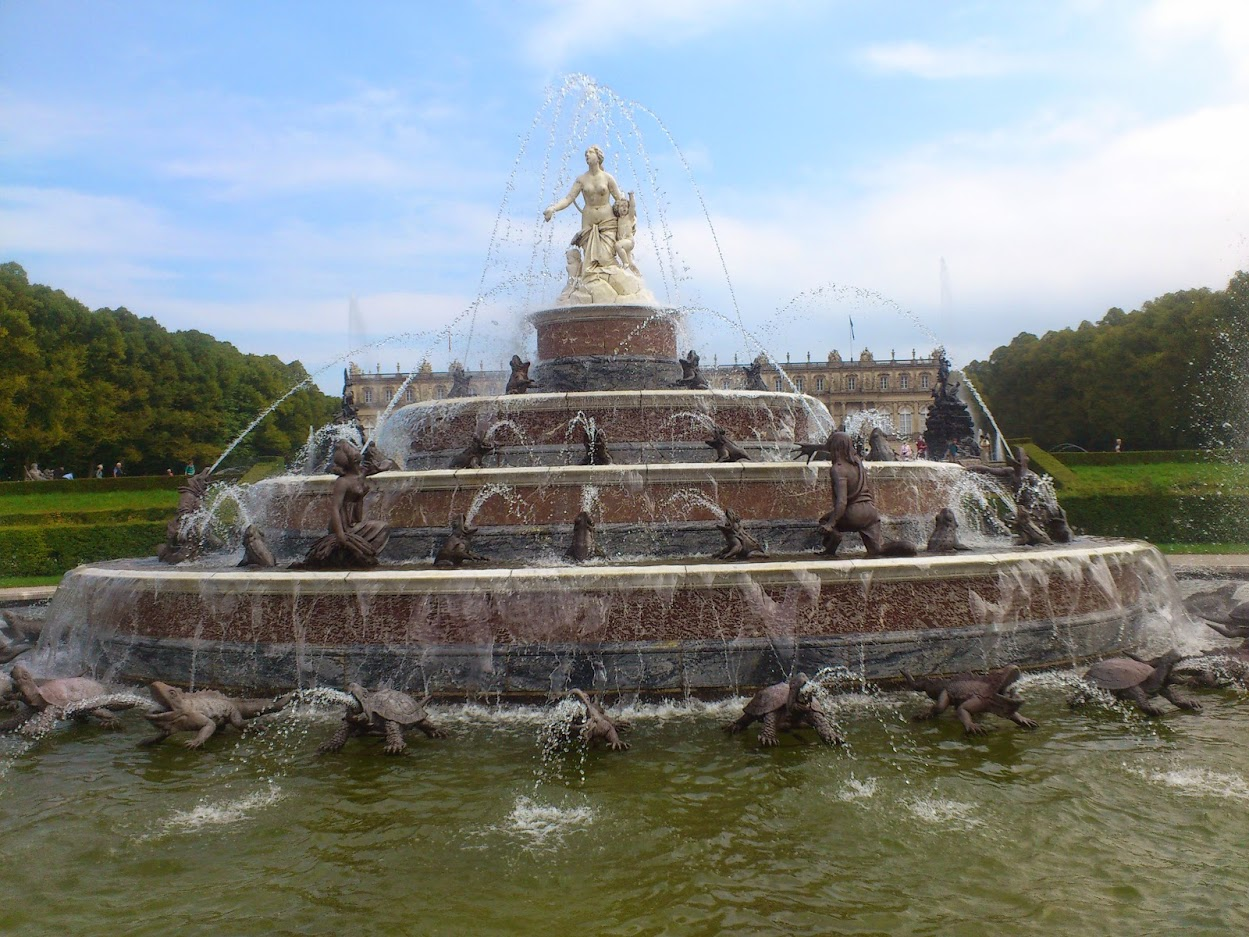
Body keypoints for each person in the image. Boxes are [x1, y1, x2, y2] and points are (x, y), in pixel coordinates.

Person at [542, 145, 625, 270]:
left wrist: (629, 216)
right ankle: (589, 281)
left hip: (607, 219)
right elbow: (568, 199)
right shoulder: (581, 179)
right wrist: (553, 208)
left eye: (590, 152)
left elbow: (620, 199)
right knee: (589, 258)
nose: (586, 155)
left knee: (607, 256)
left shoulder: (607, 178)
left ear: (598, 157)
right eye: (585, 153)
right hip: (588, 220)